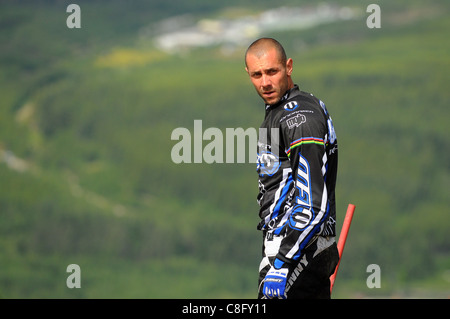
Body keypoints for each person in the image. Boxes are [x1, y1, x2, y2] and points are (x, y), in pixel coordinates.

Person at [244, 38, 339, 299]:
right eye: (257, 74)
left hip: (298, 252)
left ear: (289, 67)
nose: (265, 82)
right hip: (293, 248)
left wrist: (281, 263)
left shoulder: (299, 118)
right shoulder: (279, 112)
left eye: (272, 72)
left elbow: (312, 204)